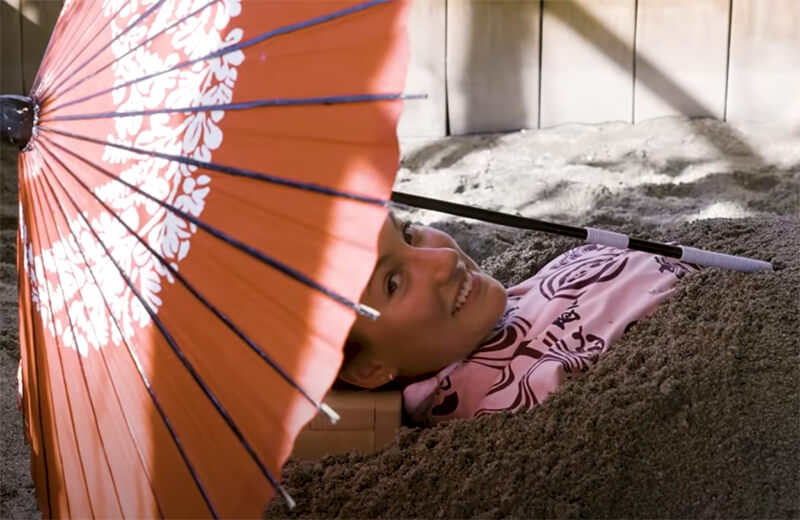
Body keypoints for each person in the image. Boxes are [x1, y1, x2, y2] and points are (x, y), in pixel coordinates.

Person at [339, 212, 698, 426]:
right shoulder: (503, 401)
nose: (444, 258)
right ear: (369, 367)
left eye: (408, 233)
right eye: (393, 283)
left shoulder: (490, 314)